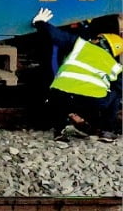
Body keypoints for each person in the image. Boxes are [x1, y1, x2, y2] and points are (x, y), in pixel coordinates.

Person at [31, 8, 122, 139]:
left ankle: (60, 131)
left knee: (60, 94)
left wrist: (40, 23)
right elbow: (120, 86)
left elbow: (56, 36)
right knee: (115, 94)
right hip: (90, 103)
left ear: (98, 39)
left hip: (60, 97)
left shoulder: (79, 45)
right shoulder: (112, 63)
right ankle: (106, 131)